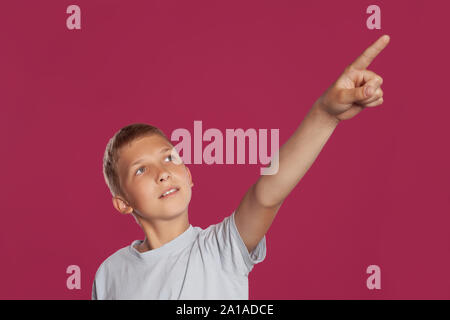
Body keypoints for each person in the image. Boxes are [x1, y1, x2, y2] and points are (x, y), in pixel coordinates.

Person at [92, 34, 390, 300]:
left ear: (190, 176)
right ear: (123, 203)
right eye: (141, 170)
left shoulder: (220, 250)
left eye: (170, 157)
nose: (163, 173)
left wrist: (325, 113)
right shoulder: (109, 273)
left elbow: (266, 195)